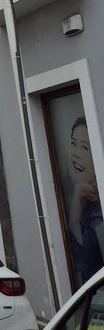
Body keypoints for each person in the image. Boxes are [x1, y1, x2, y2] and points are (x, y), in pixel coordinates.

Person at [65, 116, 104, 286]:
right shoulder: (87, 201)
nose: (76, 153)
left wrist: (74, 214)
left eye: (85, 147)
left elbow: (80, 261)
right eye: (73, 144)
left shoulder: (98, 215)